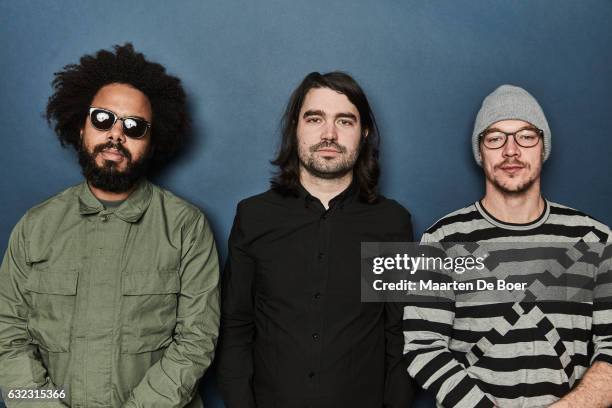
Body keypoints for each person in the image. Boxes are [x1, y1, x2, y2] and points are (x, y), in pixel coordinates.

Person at [0, 44, 220, 407]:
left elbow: (196, 342)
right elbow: (7, 338)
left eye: (134, 127)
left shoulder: (186, 227)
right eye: (103, 119)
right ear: (81, 126)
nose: (116, 135)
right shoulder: (35, 227)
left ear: (152, 142)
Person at [403, 85, 612, 407]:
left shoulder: (596, 240)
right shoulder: (443, 241)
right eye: (495, 138)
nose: (511, 150)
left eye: (526, 136)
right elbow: (423, 346)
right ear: (480, 151)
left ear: (543, 147)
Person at [217, 71, 415, 408]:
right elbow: (236, 327)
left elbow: (400, 337)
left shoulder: (392, 223)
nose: (329, 134)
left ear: (364, 133)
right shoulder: (254, 217)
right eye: (315, 118)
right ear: (296, 127)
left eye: (344, 121)